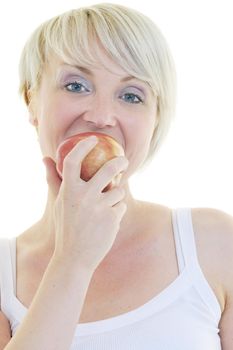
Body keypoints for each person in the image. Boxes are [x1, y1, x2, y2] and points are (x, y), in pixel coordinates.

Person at [0, 3, 232, 349]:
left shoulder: (213, 243)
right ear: (31, 101)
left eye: (130, 95)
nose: (101, 116)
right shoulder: (5, 272)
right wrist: (73, 259)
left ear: (155, 120)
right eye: (76, 86)